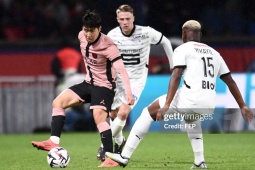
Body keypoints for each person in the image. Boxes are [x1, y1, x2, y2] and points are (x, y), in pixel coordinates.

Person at [105, 20, 254, 168]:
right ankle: (199, 161)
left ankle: (124, 156)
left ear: (183, 34)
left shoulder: (183, 49)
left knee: (147, 113)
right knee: (191, 119)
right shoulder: (215, 53)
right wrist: (243, 106)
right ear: (200, 35)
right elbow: (231, 81)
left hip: (190, 98)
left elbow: (176, 76)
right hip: (209, 103)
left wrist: (167, 105)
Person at [31, 10, 135, 168]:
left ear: (99, 29)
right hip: (88, 83)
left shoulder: (109, 45)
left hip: (104, 86)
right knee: (58, 102)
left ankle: (110, 157)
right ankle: (53, 142)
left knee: (98, 116)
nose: (87, 34)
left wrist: (128, 93)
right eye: (85, 30)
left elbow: (121, 70)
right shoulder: (81, 36)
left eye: (91, 31)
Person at [96, 4, 174, 161]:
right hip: (117, 80)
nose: (125, 22)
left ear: (133, 19)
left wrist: (173, 64)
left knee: (124, 113)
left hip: (137, 81)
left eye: (128, 19)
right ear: (117, 19)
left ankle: (105, 146)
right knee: (113, 114)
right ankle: (119, 142)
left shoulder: (146, 32)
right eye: (122, 19)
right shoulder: (112, 35)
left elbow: (165, 41)